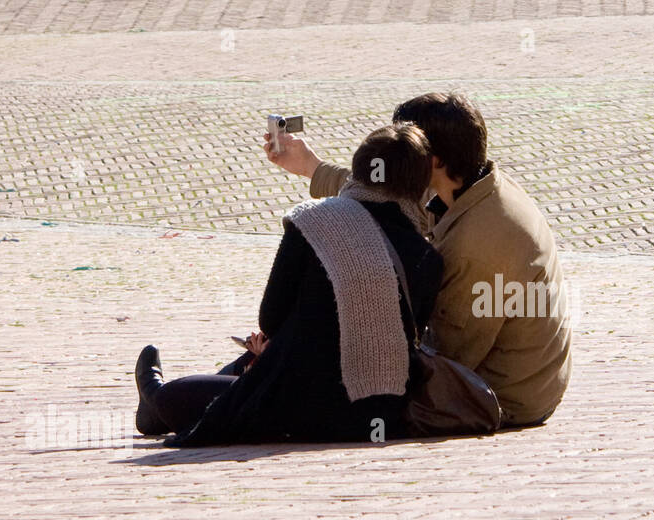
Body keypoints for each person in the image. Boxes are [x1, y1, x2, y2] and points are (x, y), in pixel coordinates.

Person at [268, 92, 571, 427]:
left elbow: (444, 356)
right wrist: (311, 167)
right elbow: (382, 196)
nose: (400, 156)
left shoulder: (476, 245)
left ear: (434, 161)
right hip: (521, 379)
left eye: (409, 149)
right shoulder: (471, 182)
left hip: (500, 397)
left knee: (316, 393)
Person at [134, 123, 443, 445]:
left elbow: (271, 317)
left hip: (294, 401)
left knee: (176, 396)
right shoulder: (427, 257)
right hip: (376, 413)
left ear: (359, 170)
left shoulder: (314, 221)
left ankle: (152, 397)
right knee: (239, 378)